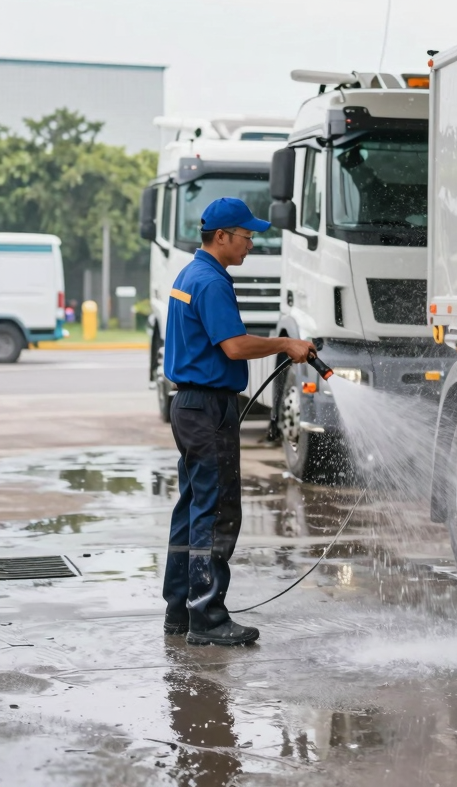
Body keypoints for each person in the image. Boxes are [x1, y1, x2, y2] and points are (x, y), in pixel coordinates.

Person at [161, 197, 315, 646]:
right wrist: (286, 346)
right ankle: (207, 618)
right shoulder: (210, 281)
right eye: (246, 236)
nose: (251, 243)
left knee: (191, 509)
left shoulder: (190, 275)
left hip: (192, 406)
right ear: (222, 236)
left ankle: (180, 610)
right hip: (206, 409)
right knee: (215, 511)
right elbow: (233, 346)